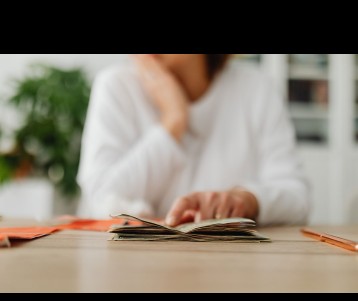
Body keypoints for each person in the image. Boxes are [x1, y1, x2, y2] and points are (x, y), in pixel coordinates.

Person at [77, 54, 309, 226]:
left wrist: (246, 200)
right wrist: (174, 121)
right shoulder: (116, 86)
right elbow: (99, 197)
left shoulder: (257, 89)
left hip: (232, 267)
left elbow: (297, 199)